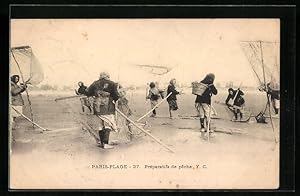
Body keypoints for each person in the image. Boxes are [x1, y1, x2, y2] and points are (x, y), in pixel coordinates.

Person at [86, 72, 119, 149]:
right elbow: (116, 95)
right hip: (107, 106)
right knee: (108, 124)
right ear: (108, 76)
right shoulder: (112, 83)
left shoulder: (95, 83)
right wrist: (114, 99)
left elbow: (88, 92)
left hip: (97, 106)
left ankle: (102, 142)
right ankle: (105, 143)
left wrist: (95, 94)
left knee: (100, 125)